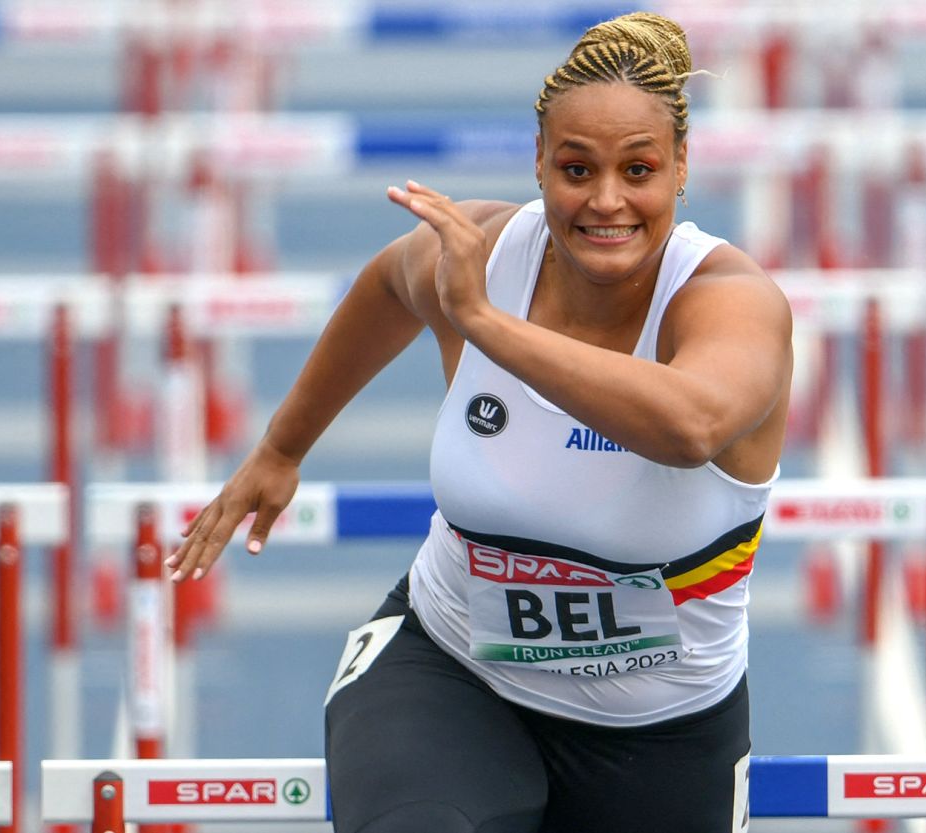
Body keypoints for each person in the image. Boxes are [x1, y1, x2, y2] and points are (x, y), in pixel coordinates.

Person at [168, 11, 792, 832]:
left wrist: (488, 325)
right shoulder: (486, 253)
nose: (607, 201)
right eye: (576, 168)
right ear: (539, 163)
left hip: (662, 734)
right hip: (453, 674)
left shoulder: (729, 303)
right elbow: (390, 284)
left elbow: (691, 423)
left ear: (682, 167)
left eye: (638, 169)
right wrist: (283, 447)